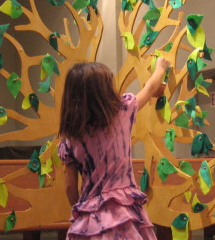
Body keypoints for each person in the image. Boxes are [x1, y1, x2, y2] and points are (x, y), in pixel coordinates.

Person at [58, 57, 170, 240]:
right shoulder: (122, 112)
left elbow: (70, 186)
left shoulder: (70, 138)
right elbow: (150, 88)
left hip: (90, 216)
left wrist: (84, 211)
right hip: (123, 213)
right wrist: (161, 67)